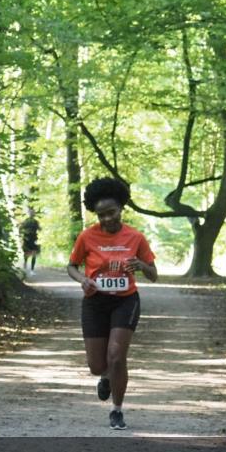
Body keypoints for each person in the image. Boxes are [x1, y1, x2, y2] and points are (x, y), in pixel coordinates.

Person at [66, 177, 157, 431]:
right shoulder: (87, 237)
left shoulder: (135, 237)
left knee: (116, 356)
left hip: (125, 301)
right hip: (95, 302)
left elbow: (154, 274)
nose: (106, 219)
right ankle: (105, 377)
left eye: (111, 212)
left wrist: (142, 266)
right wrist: (83, 280)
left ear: (121, 209)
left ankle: (117, 410)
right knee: (97, 366)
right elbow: (71, 266)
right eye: (101, 215)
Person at [20, 207, 41, 277]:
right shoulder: (25, 221)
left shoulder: (36, 222)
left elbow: (40, 229)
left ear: (34, 214)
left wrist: (39, 228)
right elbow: (20, 228)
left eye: (33, 212)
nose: (32, 213)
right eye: (31, 212)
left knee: (34, 255)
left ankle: (32, 270)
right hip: (27, 240)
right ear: (29, 213)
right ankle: (25, 264)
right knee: (26, 254)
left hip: (34, 240)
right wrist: (22, 236)